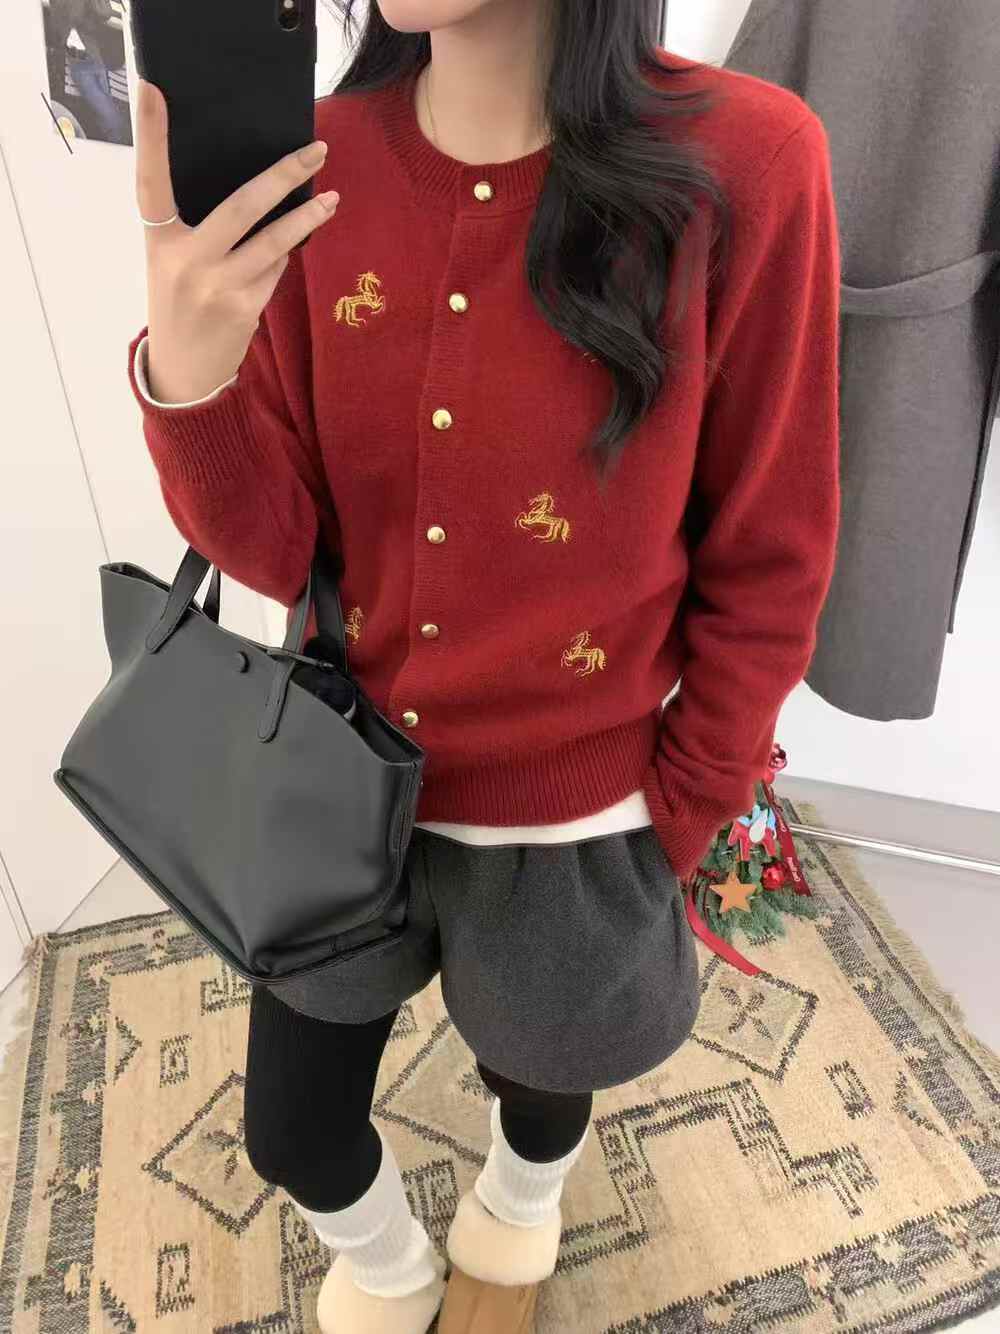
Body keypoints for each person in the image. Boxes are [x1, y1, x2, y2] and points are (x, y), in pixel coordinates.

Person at [126, 2, 841, 1330]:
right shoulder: (317, 164)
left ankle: (519, 1202)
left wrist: (679, 811)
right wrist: (189, 373)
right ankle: (396, 1265)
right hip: (337, 769)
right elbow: (280, 553)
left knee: (543, 1070)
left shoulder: (748, 161)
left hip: (581, 808)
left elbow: (773, 543)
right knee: (293, 1127)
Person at [47, 0, 131, 143]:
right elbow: (101, 13)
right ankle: (119, 139)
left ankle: (115, 138)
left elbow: (104, 13)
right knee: (108, 114)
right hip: (82, 62)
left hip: (94, 55)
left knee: (105, 110)